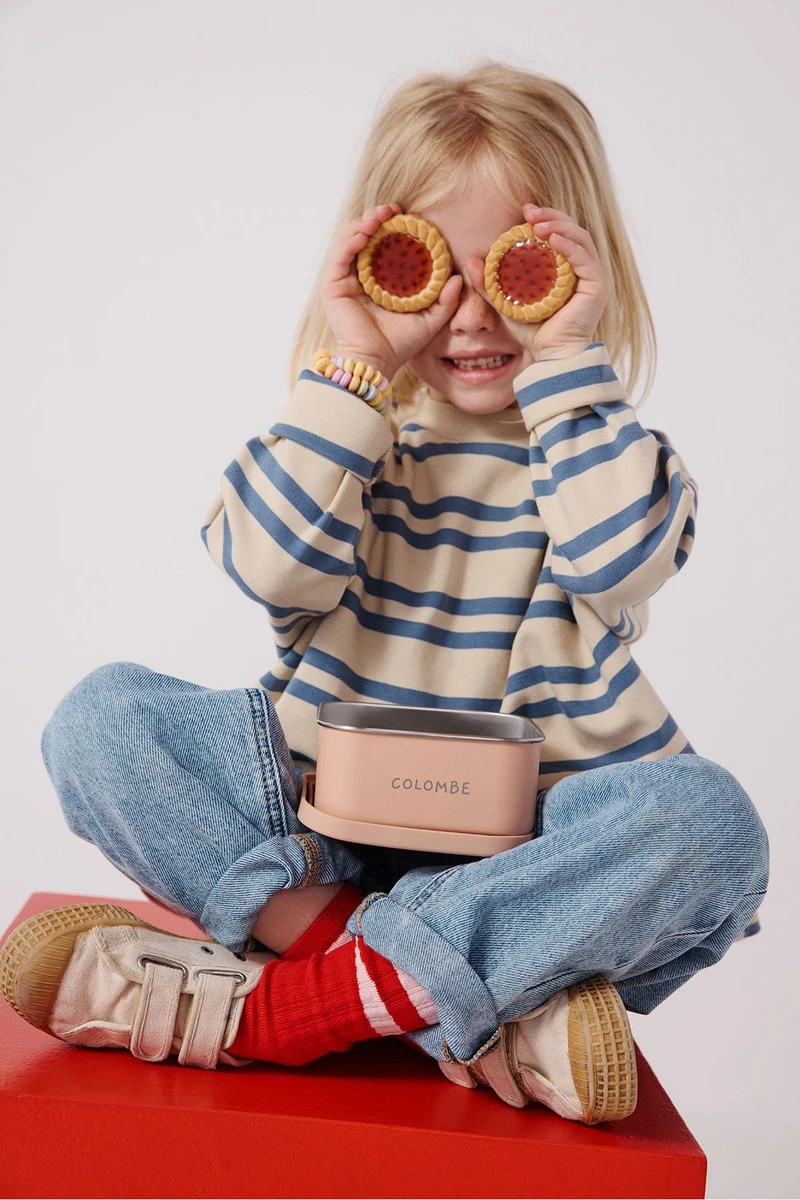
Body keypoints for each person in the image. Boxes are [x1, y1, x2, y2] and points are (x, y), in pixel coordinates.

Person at [0, 61, 768, 1127]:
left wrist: (564, 367)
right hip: (322, 824)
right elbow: (268, 563)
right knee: (101, 720)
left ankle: (284, 1007)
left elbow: (615, 561)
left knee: (711, 828)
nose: (468, 314)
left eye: (515, 268)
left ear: (574, 269)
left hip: (531, 849)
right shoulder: (350, 438)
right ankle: (435, 994)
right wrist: (355, 370)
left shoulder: (604, 452)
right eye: (428, 269)